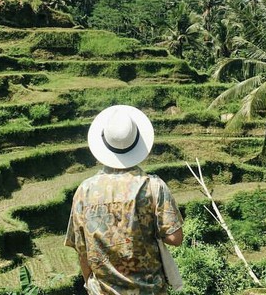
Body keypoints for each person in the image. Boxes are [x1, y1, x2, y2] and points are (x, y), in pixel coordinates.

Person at [65, 105, 184, 294]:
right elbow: (175, 238)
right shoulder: (153, 186)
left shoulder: (84, 191)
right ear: (138, 142)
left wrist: (89, 280)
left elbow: (81, 248)